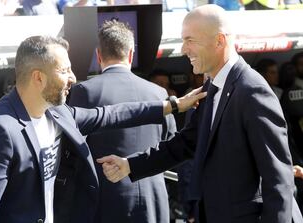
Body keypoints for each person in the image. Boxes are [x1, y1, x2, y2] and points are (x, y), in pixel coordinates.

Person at [0, 35, 205, 223]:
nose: (73, 78)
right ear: (38, 77)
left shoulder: (57, 113)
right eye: (63, 70)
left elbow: (111, 115)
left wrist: (172, 106)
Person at [97, 4, 301, 223]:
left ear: (220, 40)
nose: (184, 49)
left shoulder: (252, 90)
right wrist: (130, 165)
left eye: (190, 40)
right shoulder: (211, 87)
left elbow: (278, 179)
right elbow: (186, 143)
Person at [68, 20, 176, 223]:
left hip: (105, 203)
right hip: (153, 201)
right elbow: (170, 145)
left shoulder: (84, 92)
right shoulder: (159, 94)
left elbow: (73, 151)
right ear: (131, 54)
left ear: (98, 55)